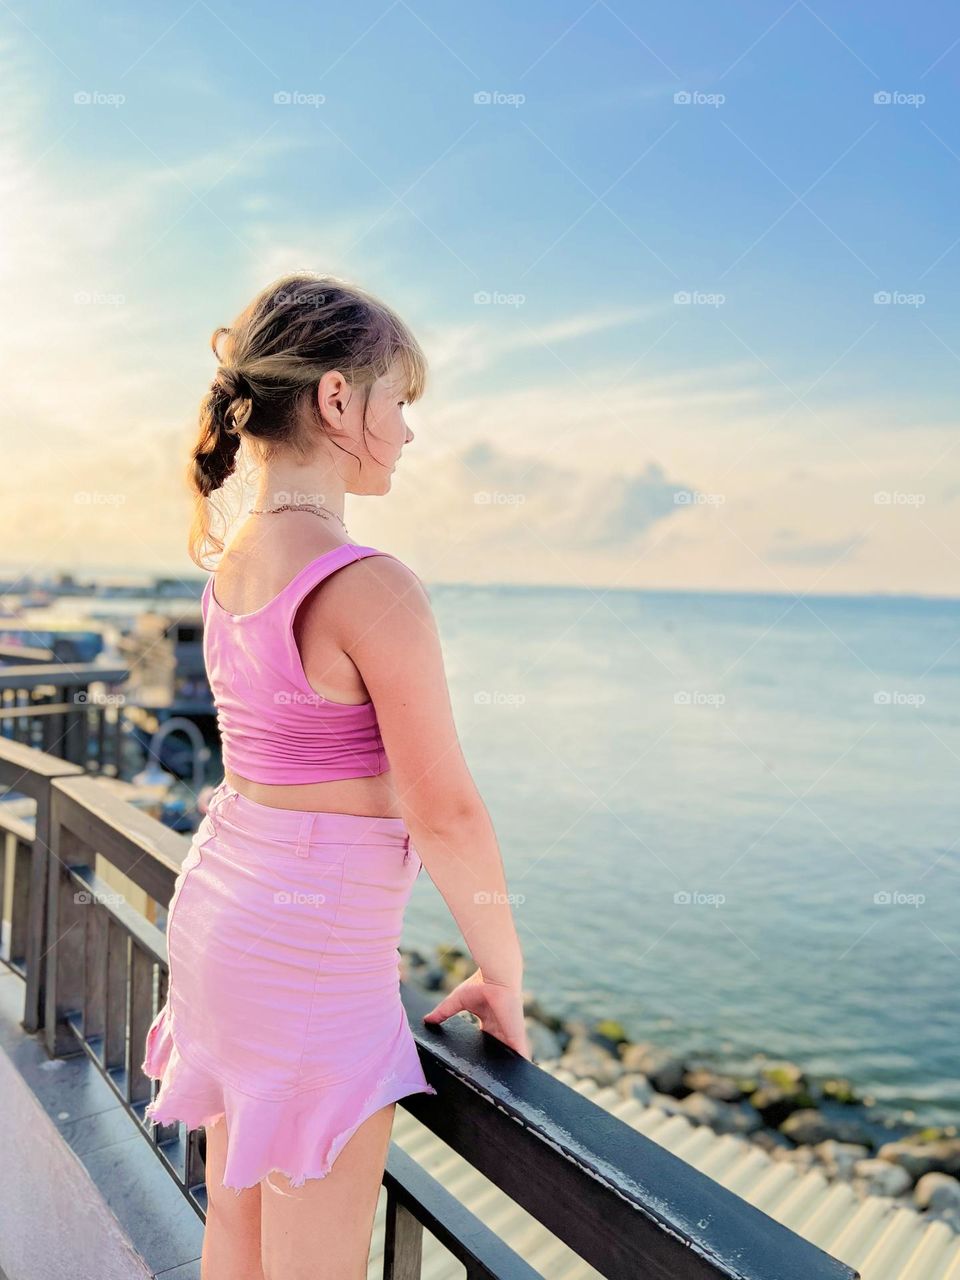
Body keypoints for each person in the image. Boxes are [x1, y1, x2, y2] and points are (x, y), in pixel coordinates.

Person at [140, 271, 528, 1280]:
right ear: (337, 399)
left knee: (236, 1234)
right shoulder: (370, 585)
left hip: (226, 914)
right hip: (308, 956)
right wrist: (503, 971)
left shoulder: (232, 565)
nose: (407, 430)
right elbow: (443, 808)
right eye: (398, 400)